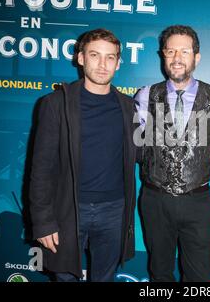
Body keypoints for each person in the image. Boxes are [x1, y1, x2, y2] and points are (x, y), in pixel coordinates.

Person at [29, 28, 137, 282]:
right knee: (65, 278)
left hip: (114, 210)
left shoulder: (129, 107)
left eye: (110, 57)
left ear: (118, 63)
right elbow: (41, 168)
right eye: (95, 55)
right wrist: (43, 221)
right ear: (80, 58)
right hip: (68, 209)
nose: (102, 64)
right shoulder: (56, 104)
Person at [135, 25, 210, 282]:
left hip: (197, 201)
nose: (177, 58)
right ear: (163, 56)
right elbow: (136, 147)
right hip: (155, 199)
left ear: (196, 57)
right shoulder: (144, 96)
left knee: (199, 275)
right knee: (159, 271)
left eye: (184, 51)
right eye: (170, 51)